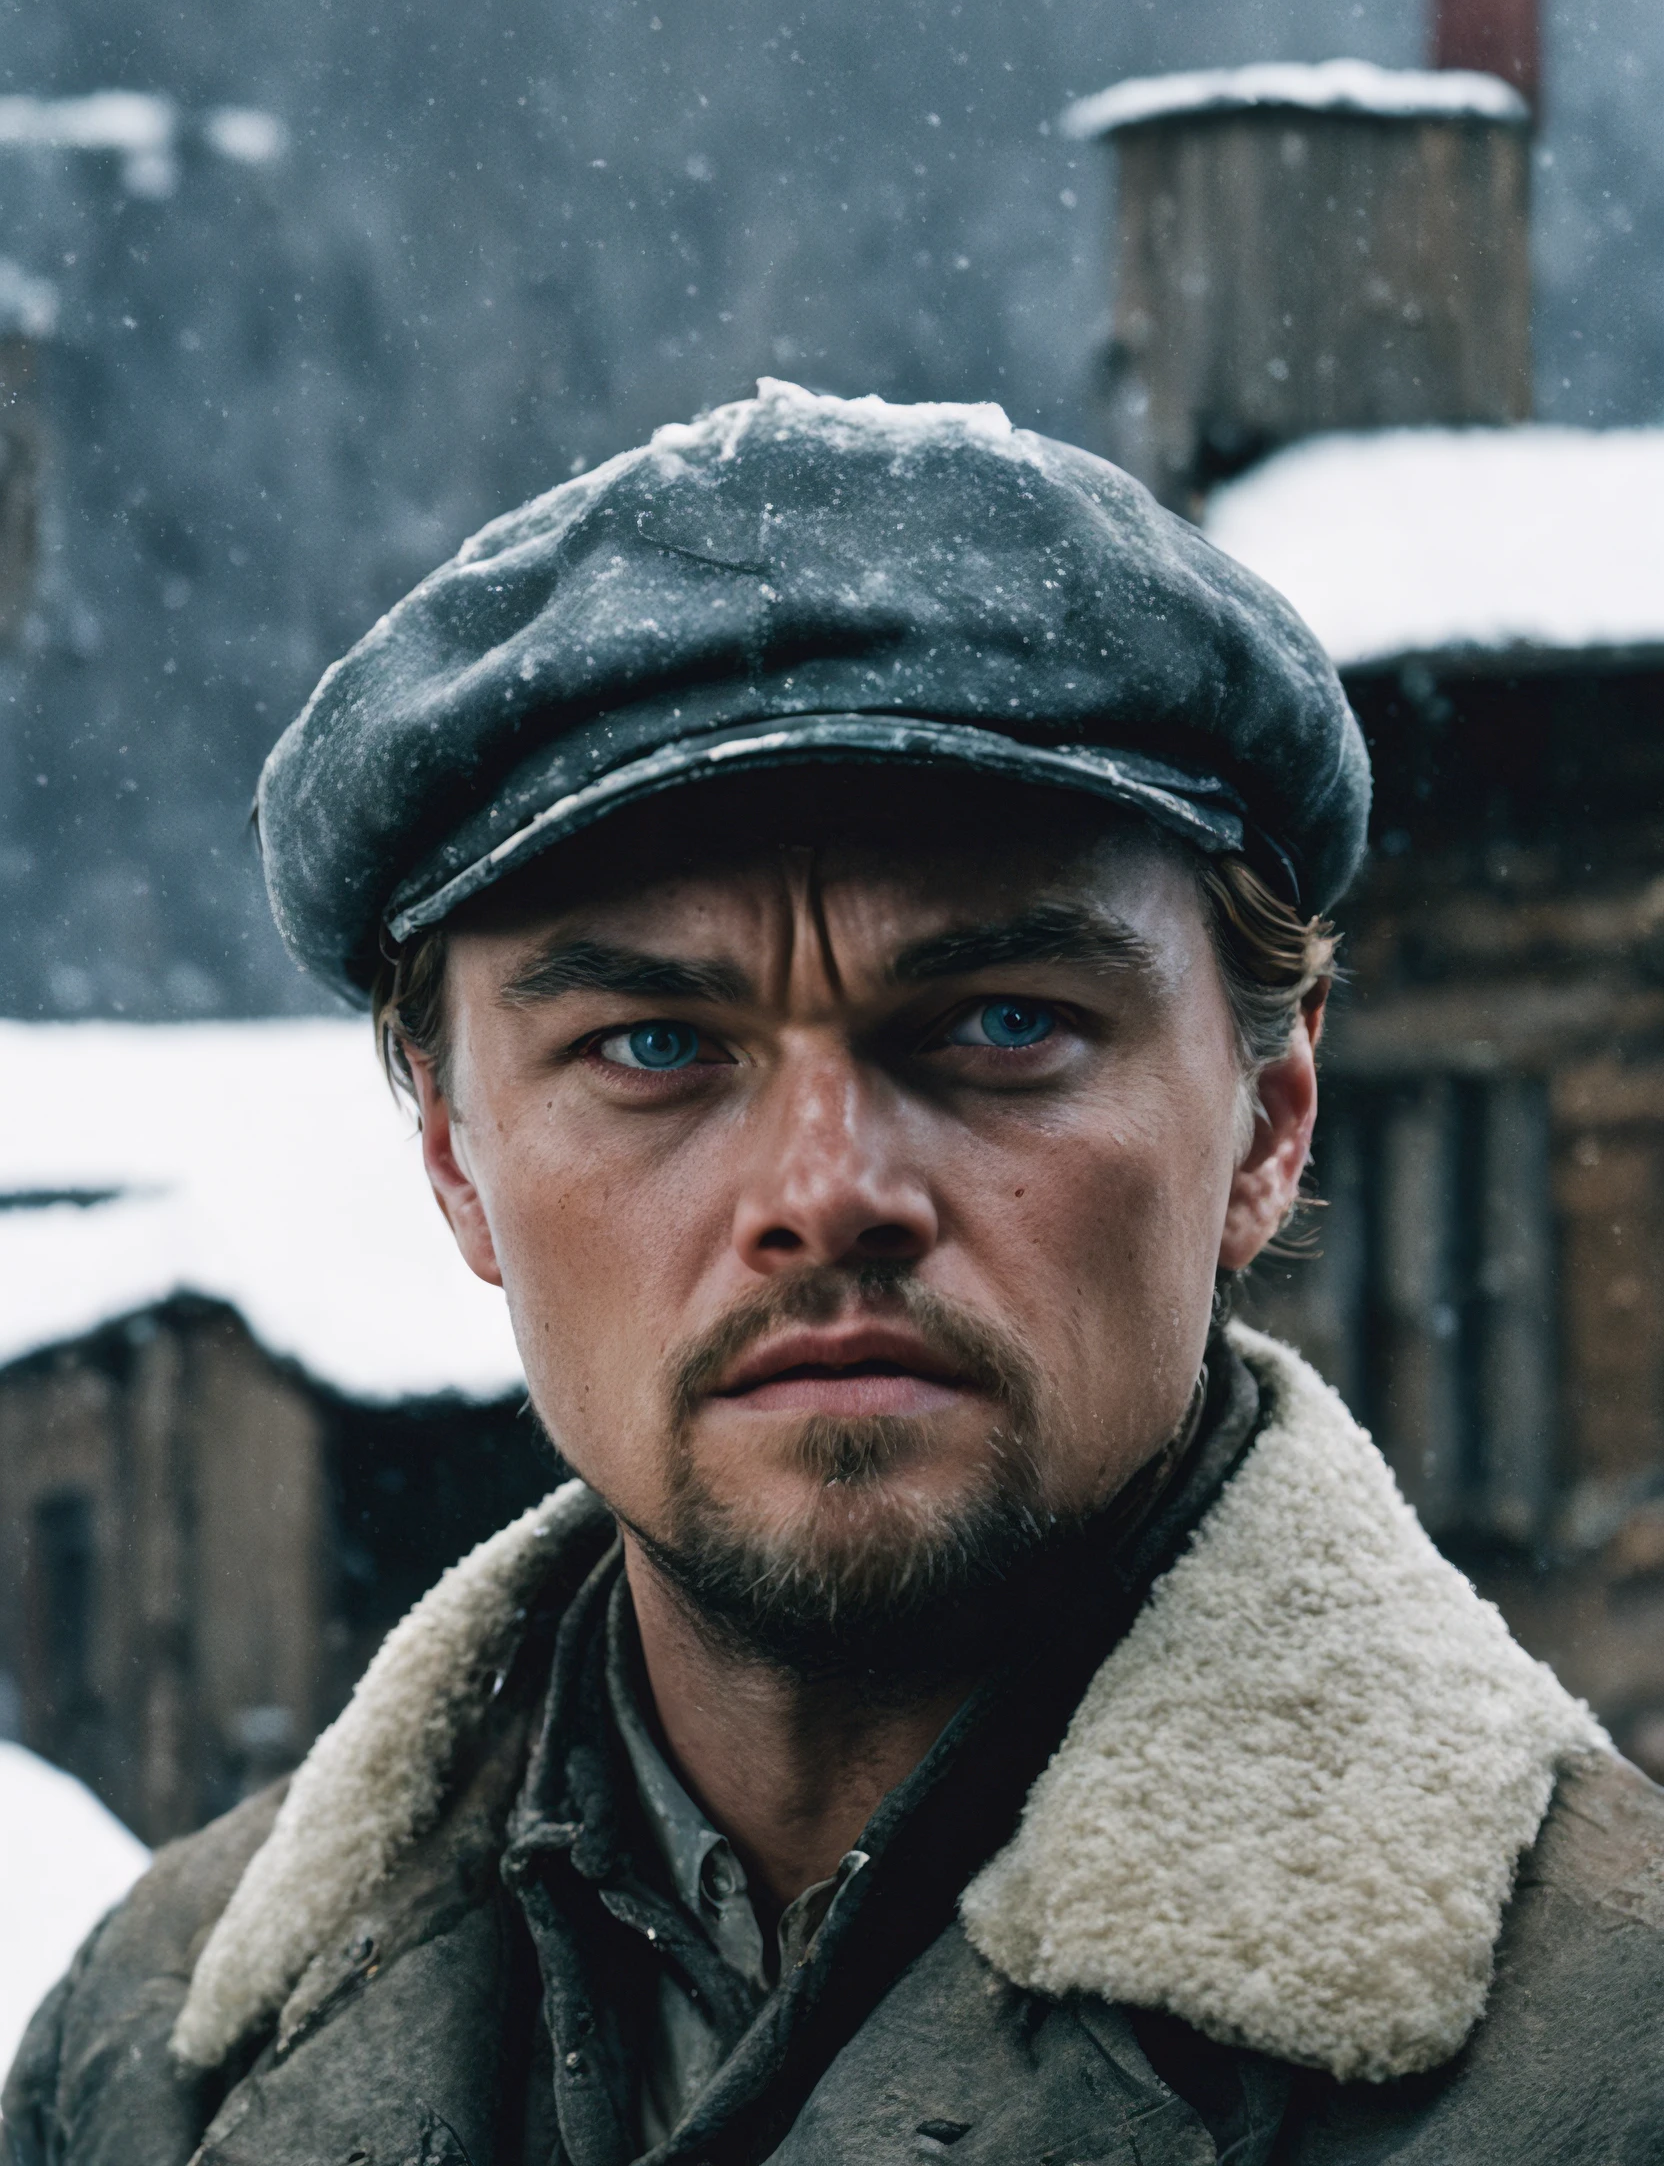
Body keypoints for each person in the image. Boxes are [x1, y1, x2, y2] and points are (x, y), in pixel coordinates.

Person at [7, 383, 1661, 2166]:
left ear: (1267, 1114)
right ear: (452, 1162)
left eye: (1002, 1024)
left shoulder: (1608, 2058)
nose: (828, 1192)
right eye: (654, 1045)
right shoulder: (146, 2058)